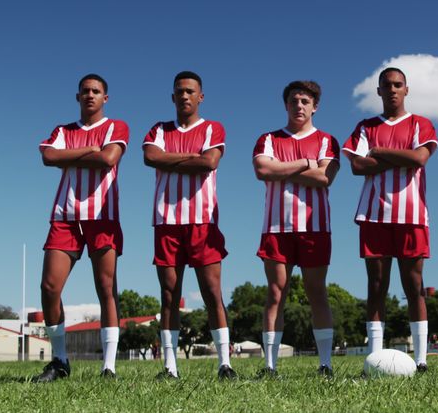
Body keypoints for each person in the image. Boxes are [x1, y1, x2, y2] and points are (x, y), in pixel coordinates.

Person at [35, 74, 129, 381]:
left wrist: (74, 156)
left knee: (106, 288)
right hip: (65, 216)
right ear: (77, 97)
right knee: (49, 287)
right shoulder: (63, 130)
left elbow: (108, 158)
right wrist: (90, 151)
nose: (90, 95)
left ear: (105, 98)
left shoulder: (116, 127)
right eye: (85, 91)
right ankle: (60, 361)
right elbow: (48, 156)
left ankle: (109, 367)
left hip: (103, 217)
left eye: (96, 91)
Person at [343, 67, 436, 372]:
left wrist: (380, 152)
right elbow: (357, 166)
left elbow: (419, 159)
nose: (393, 90)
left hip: (411, 216)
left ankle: (421, 359)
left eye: (398, 85)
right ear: (379, 91)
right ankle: (374, 357)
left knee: (415, 286)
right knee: (376, 286)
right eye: (387, 85)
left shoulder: (421, 124)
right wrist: (400, 157)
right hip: (374, 215)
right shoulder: (365, 126)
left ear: (406, 90)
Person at [142, 71, 235, 380]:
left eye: (190, 91)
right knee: (169, 294)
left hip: (202, 222)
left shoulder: (212, 128)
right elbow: (149, 157)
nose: (184, 96)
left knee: (212, 291)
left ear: (200, 97)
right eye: (179, 91)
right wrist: (189, 158)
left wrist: (169, 159)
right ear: (172, 97)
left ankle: (225, 364)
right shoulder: (159, 129)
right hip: (166, 222)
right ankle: (169, 367)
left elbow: (209, 162)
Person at [252, 80, 340, 378]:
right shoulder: (268, 139)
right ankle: (270, 366)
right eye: (293, 100)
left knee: (317, 292)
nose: (299, 106)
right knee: (276, 293)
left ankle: (325, 364)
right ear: (285, 104)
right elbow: (263, 170)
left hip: (315, 227)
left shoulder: (327, 140)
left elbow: (325, 178)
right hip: (276, 227)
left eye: (305, 101)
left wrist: (283, 169)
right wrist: (304, 162)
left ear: (315, 106)